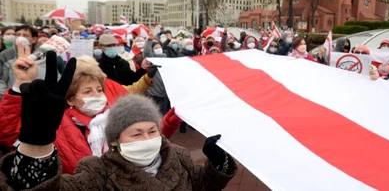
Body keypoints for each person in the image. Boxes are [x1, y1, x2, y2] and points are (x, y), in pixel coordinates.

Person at [0, 89, 236, 190]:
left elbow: (203, 185)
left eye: (152, 131)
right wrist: (36, 143)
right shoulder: (97, 172)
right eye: (136, 133)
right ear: (115, 141)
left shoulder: (180, 156)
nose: (147, 139)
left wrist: (218, 166)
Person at [0, 46, 178, 174]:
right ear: (71, 98)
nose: (97, 95)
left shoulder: (117, 119)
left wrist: (168, 124)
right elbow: (8, 135)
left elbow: (145, 143)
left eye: (99, 90)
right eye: (87, 91)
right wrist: (19, 85)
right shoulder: (54, 124)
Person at [0, 25, 39, 99]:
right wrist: (5, 96)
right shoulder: (5, 54)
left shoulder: (42, 56)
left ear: (34, 39)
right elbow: (1, 79)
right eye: (18, 35)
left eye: (25, 35)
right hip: (13, 97)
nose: (20, 37)